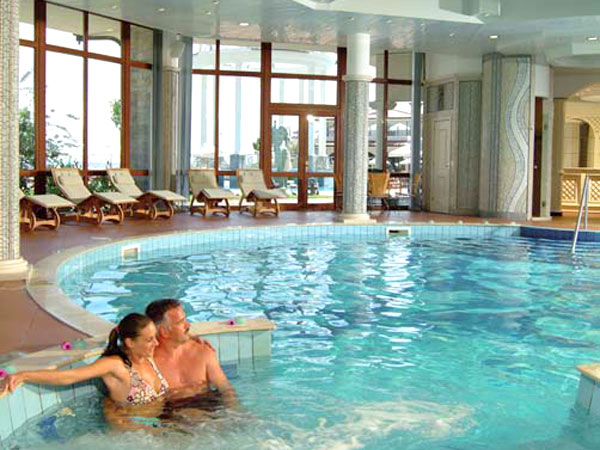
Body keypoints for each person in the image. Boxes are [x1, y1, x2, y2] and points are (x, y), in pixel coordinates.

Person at [0, 313, 169, 428]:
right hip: (134, 433)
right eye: (149, 339)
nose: (156, 343)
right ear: (130, 342)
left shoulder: (148, 357)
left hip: (158, 425)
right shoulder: (115, 365)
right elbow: (69, 376)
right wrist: (24, 375)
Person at [145, 299, 235, 406]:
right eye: (180, 322)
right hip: (171, 412)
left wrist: (234, 411)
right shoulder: (148, 363)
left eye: (185, 319)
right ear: (164, 331)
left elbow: (226, 390)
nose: (188, 325)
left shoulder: (202, 351)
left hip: (208, 407)